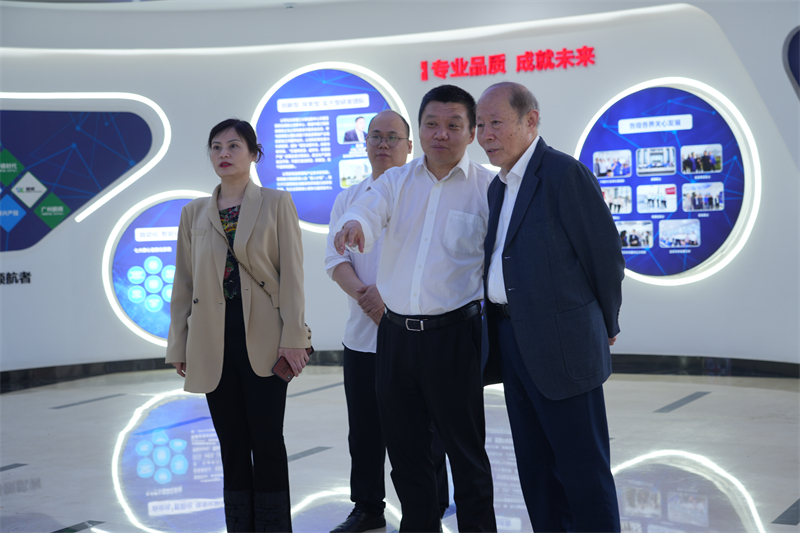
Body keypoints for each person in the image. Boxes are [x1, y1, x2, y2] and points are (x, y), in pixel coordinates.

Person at [332, 85, 496, 532]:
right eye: (431, 124)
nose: (441, 134)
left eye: (453, 125)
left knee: (465, 455)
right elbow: (369, 209)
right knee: (407, 457)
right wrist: (355, 224)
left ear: (472, 132)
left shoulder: (487, 188)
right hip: (396, 337)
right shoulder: (395, 182)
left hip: (455, 339)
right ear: (420, 130)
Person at [476, 82, 625, 532]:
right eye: (480, 125)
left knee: (583, 470)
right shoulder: (498, 187)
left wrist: (606, 323)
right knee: (536, 469)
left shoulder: (563, 174)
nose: (485, 135)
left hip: (564, 344)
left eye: (496, 123)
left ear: (531, 121)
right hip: (512, 340)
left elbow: (604, 257)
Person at [166, 119, 311, 532]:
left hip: (266, 338)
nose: (224, 154)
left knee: (267, 443)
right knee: (231, 446)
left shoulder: (276, 203)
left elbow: (292, 276)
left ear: (253, 154)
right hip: (211, 340)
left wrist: (294, 336)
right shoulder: (193, 212)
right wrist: (179, 344)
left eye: (233, 146)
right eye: (216, 147)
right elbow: (184, 283)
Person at [325, 110, 451, 532]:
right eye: (375, 136)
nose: (383, 144)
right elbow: (335, 260)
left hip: (417, 337)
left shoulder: (426, 194)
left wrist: (389, 298)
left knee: (425, 431)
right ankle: (367, 508)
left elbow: (436, 260)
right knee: (364, 431)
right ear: (365, 144)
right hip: (363, 338)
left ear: (409, 146)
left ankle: (431, 507)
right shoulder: (349, 198)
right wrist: (368, 298)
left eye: (392, 137)